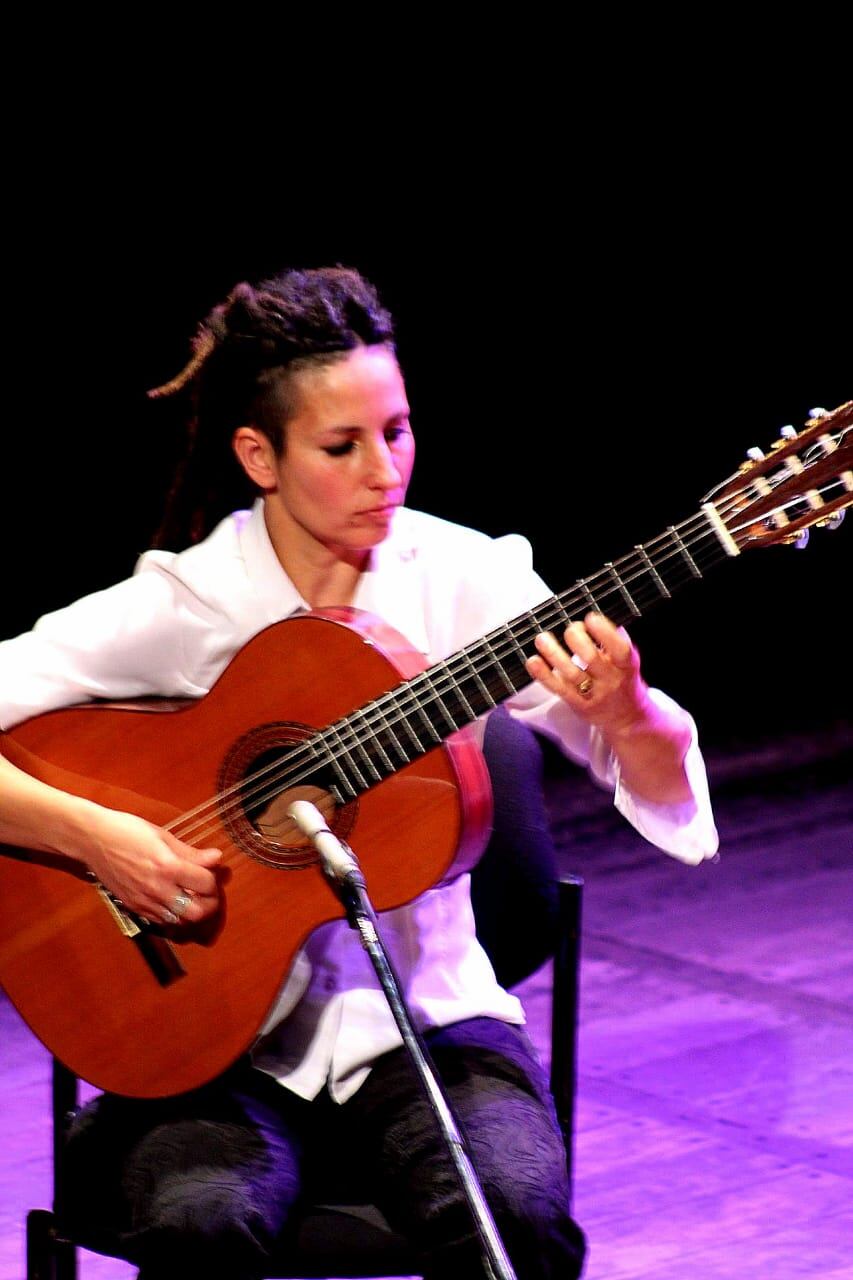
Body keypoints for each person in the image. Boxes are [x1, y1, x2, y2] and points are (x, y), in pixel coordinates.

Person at [0, 266, 718, 1279]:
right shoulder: (186, 603)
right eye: (342, 446)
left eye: (398, 430)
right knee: (200, 1221)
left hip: (429, 1026)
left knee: (515, 1221)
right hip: (213, 1046)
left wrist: (625, 710)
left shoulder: (470, 580)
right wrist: (100, 837)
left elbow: (654, 780)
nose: (386, 470)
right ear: (260, 454)